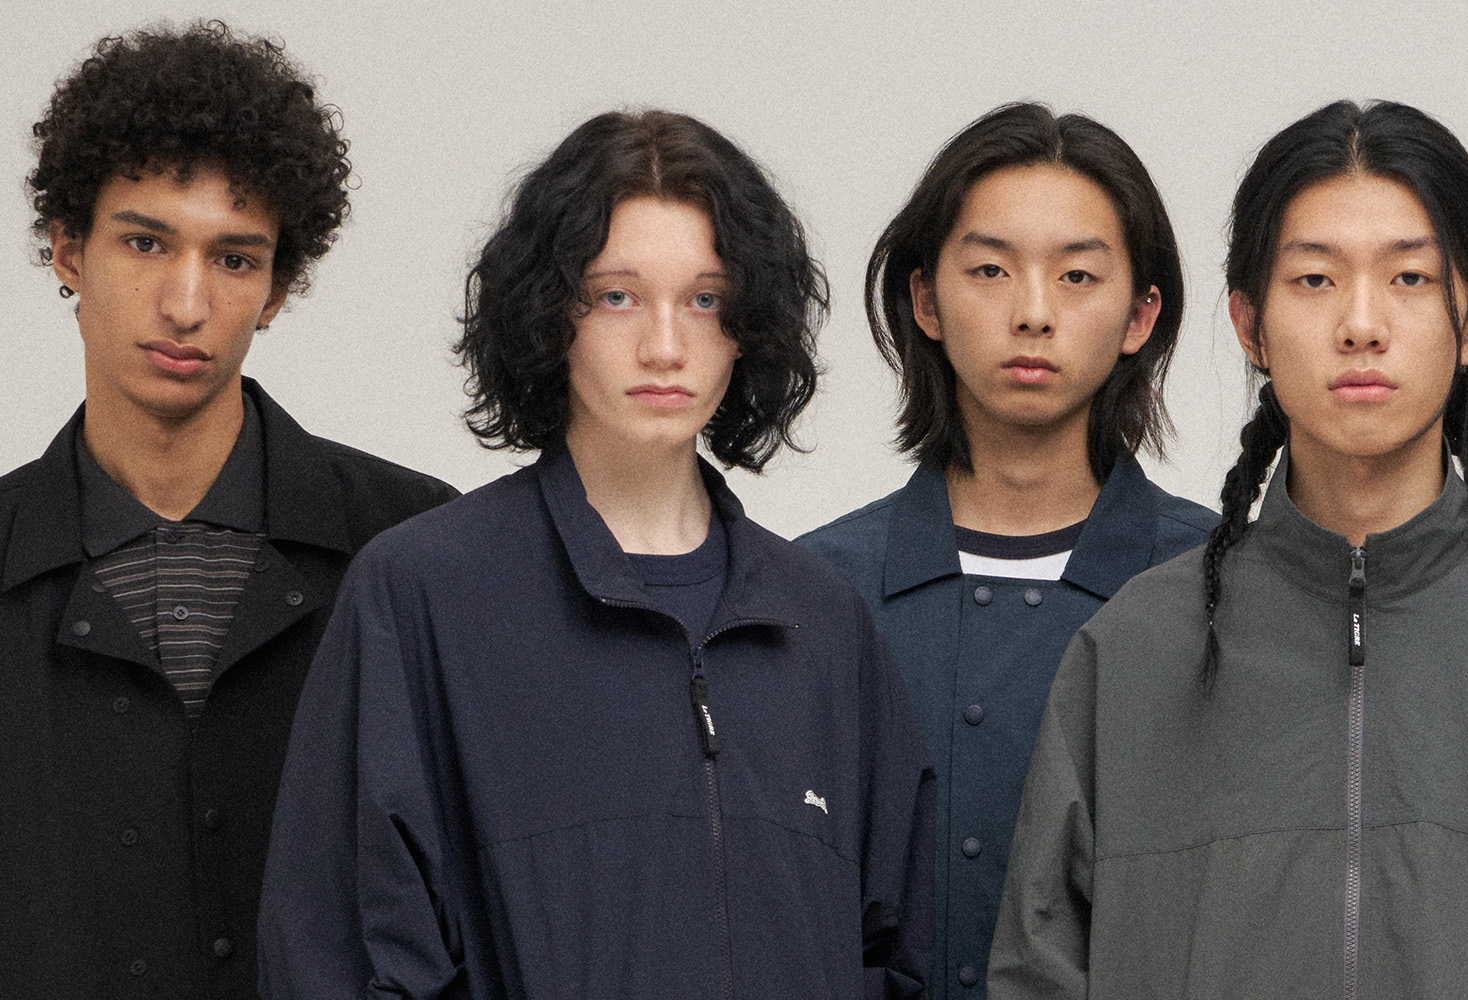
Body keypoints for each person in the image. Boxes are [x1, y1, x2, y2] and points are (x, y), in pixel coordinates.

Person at [988, 100, 1468, 999]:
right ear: (1250, 324)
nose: (1361, 324)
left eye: (1410, 278)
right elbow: (1039, 972)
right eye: (1315, 279)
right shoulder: (1135, 650)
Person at [257, 109, 935, 999]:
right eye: (618, 296)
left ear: (749, 325)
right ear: (550, 316)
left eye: (706, 299)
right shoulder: (424, 593)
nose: (666, 346)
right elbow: (337, 957)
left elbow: (898, 955)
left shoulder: (823, 623)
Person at [0, 22, 458, 998]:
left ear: (278, 289)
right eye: (145, 241)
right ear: (68, 250)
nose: (185, 303)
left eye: (236, 259)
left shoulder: (416, 546)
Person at [796, 102, 1217, 998]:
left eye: (1077, 276)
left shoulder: (1223, 586)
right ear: (926, 301)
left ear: (1141, 314)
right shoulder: (816, 593)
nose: (1033, 313)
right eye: (990, 270)